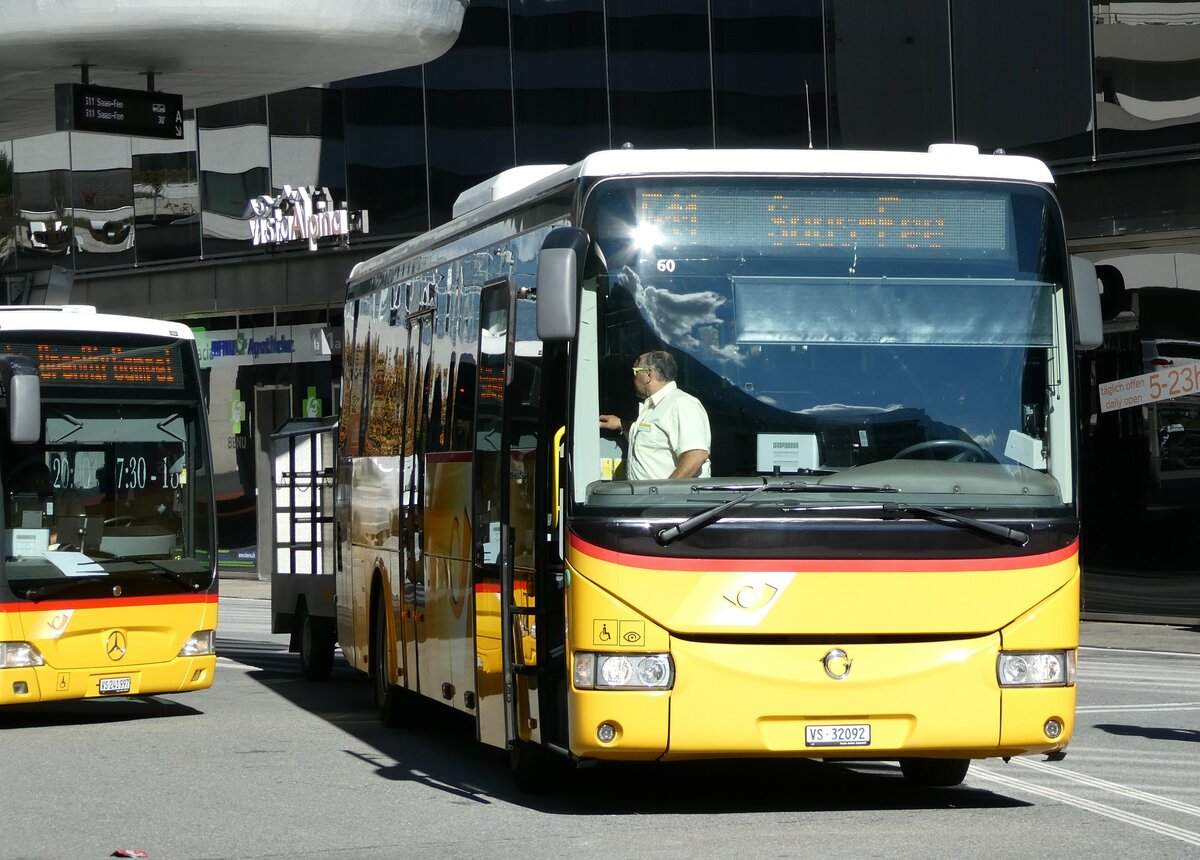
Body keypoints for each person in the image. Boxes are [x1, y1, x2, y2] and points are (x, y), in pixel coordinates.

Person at [599, 350, 711, 480]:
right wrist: (621, 424)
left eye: (635, 372)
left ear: (648, 374)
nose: (633, 378)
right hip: (645, 499)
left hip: (666, 499)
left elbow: (696, 455)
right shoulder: (653, 407)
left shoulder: (681, 404)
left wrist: (665, 492)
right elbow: (650, 436)